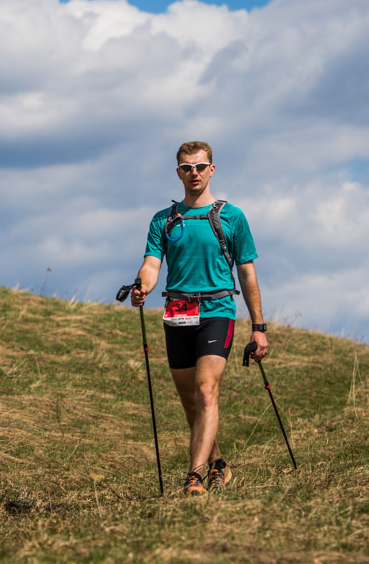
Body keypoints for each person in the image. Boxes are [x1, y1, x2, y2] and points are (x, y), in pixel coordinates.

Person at [131, 140, 268, 496]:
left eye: (200, 166)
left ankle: (194, 478)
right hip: (177, 312)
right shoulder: (163, 219)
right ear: (178, 173)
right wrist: (142, 286)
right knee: (192, 401)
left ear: (212, 169)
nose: (194, 173)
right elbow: (151, 264)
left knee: (206, 392)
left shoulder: (232, 216)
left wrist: (258, 327)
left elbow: (247, 273)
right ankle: (218, 463)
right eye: (187, 168)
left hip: (217, 310)